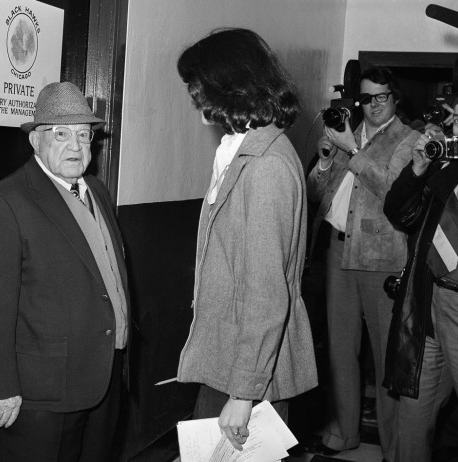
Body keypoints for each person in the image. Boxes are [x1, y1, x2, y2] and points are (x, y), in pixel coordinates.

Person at [0, 81, 129, 462]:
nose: (75, 146)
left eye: (84, 134)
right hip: (41, 395)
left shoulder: (96, 191)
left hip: (104, 379)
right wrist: (0, 387)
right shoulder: (5, 202)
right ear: (35, 140)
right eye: (61, 134)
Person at [175, 27, 318, 451]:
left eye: (199, 90)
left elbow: (266, 293)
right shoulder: (243, 150)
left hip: (248, 373)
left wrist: (243, 394)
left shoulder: (266, 164)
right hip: (232, 358)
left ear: (229, 86)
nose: (196, 101)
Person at [306, 67, 419, 461]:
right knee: (340, 347)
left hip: (381, 256)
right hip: (338, 251)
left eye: (381, 96)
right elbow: (315, 192)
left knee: (386, 355)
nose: (373, 105)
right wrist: (325, 160)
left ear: (395, 97)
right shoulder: (347, 131)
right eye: (366, 97)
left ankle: (394, 447)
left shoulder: (409, 138)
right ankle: (342, 433)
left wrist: (352, 150)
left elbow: (393, 189)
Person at [382, 89, 458, 462]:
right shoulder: (449, 168)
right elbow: (400, 214)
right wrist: (417, 168)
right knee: (412, 415)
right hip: (426, 302)